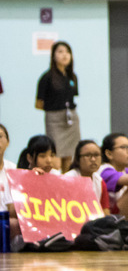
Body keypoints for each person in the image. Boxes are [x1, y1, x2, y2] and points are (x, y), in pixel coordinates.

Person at [35, 41, 80, 172]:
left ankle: (65, 185)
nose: (64, 55)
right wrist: (54, 107)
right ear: (53, 56)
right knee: (55, 157)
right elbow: (39, 103)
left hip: (71, 118)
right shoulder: (47, 77)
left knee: (69, 156)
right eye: (60, 52)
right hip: (54, 119)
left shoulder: (72, 76)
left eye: (67, 52)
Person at [64, 140, 110, 215]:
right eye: (88, 155)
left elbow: (105, 212)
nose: (93, 159)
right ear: (78, 159)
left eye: (96, 155)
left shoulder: (100, 182)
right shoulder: (67, 179)